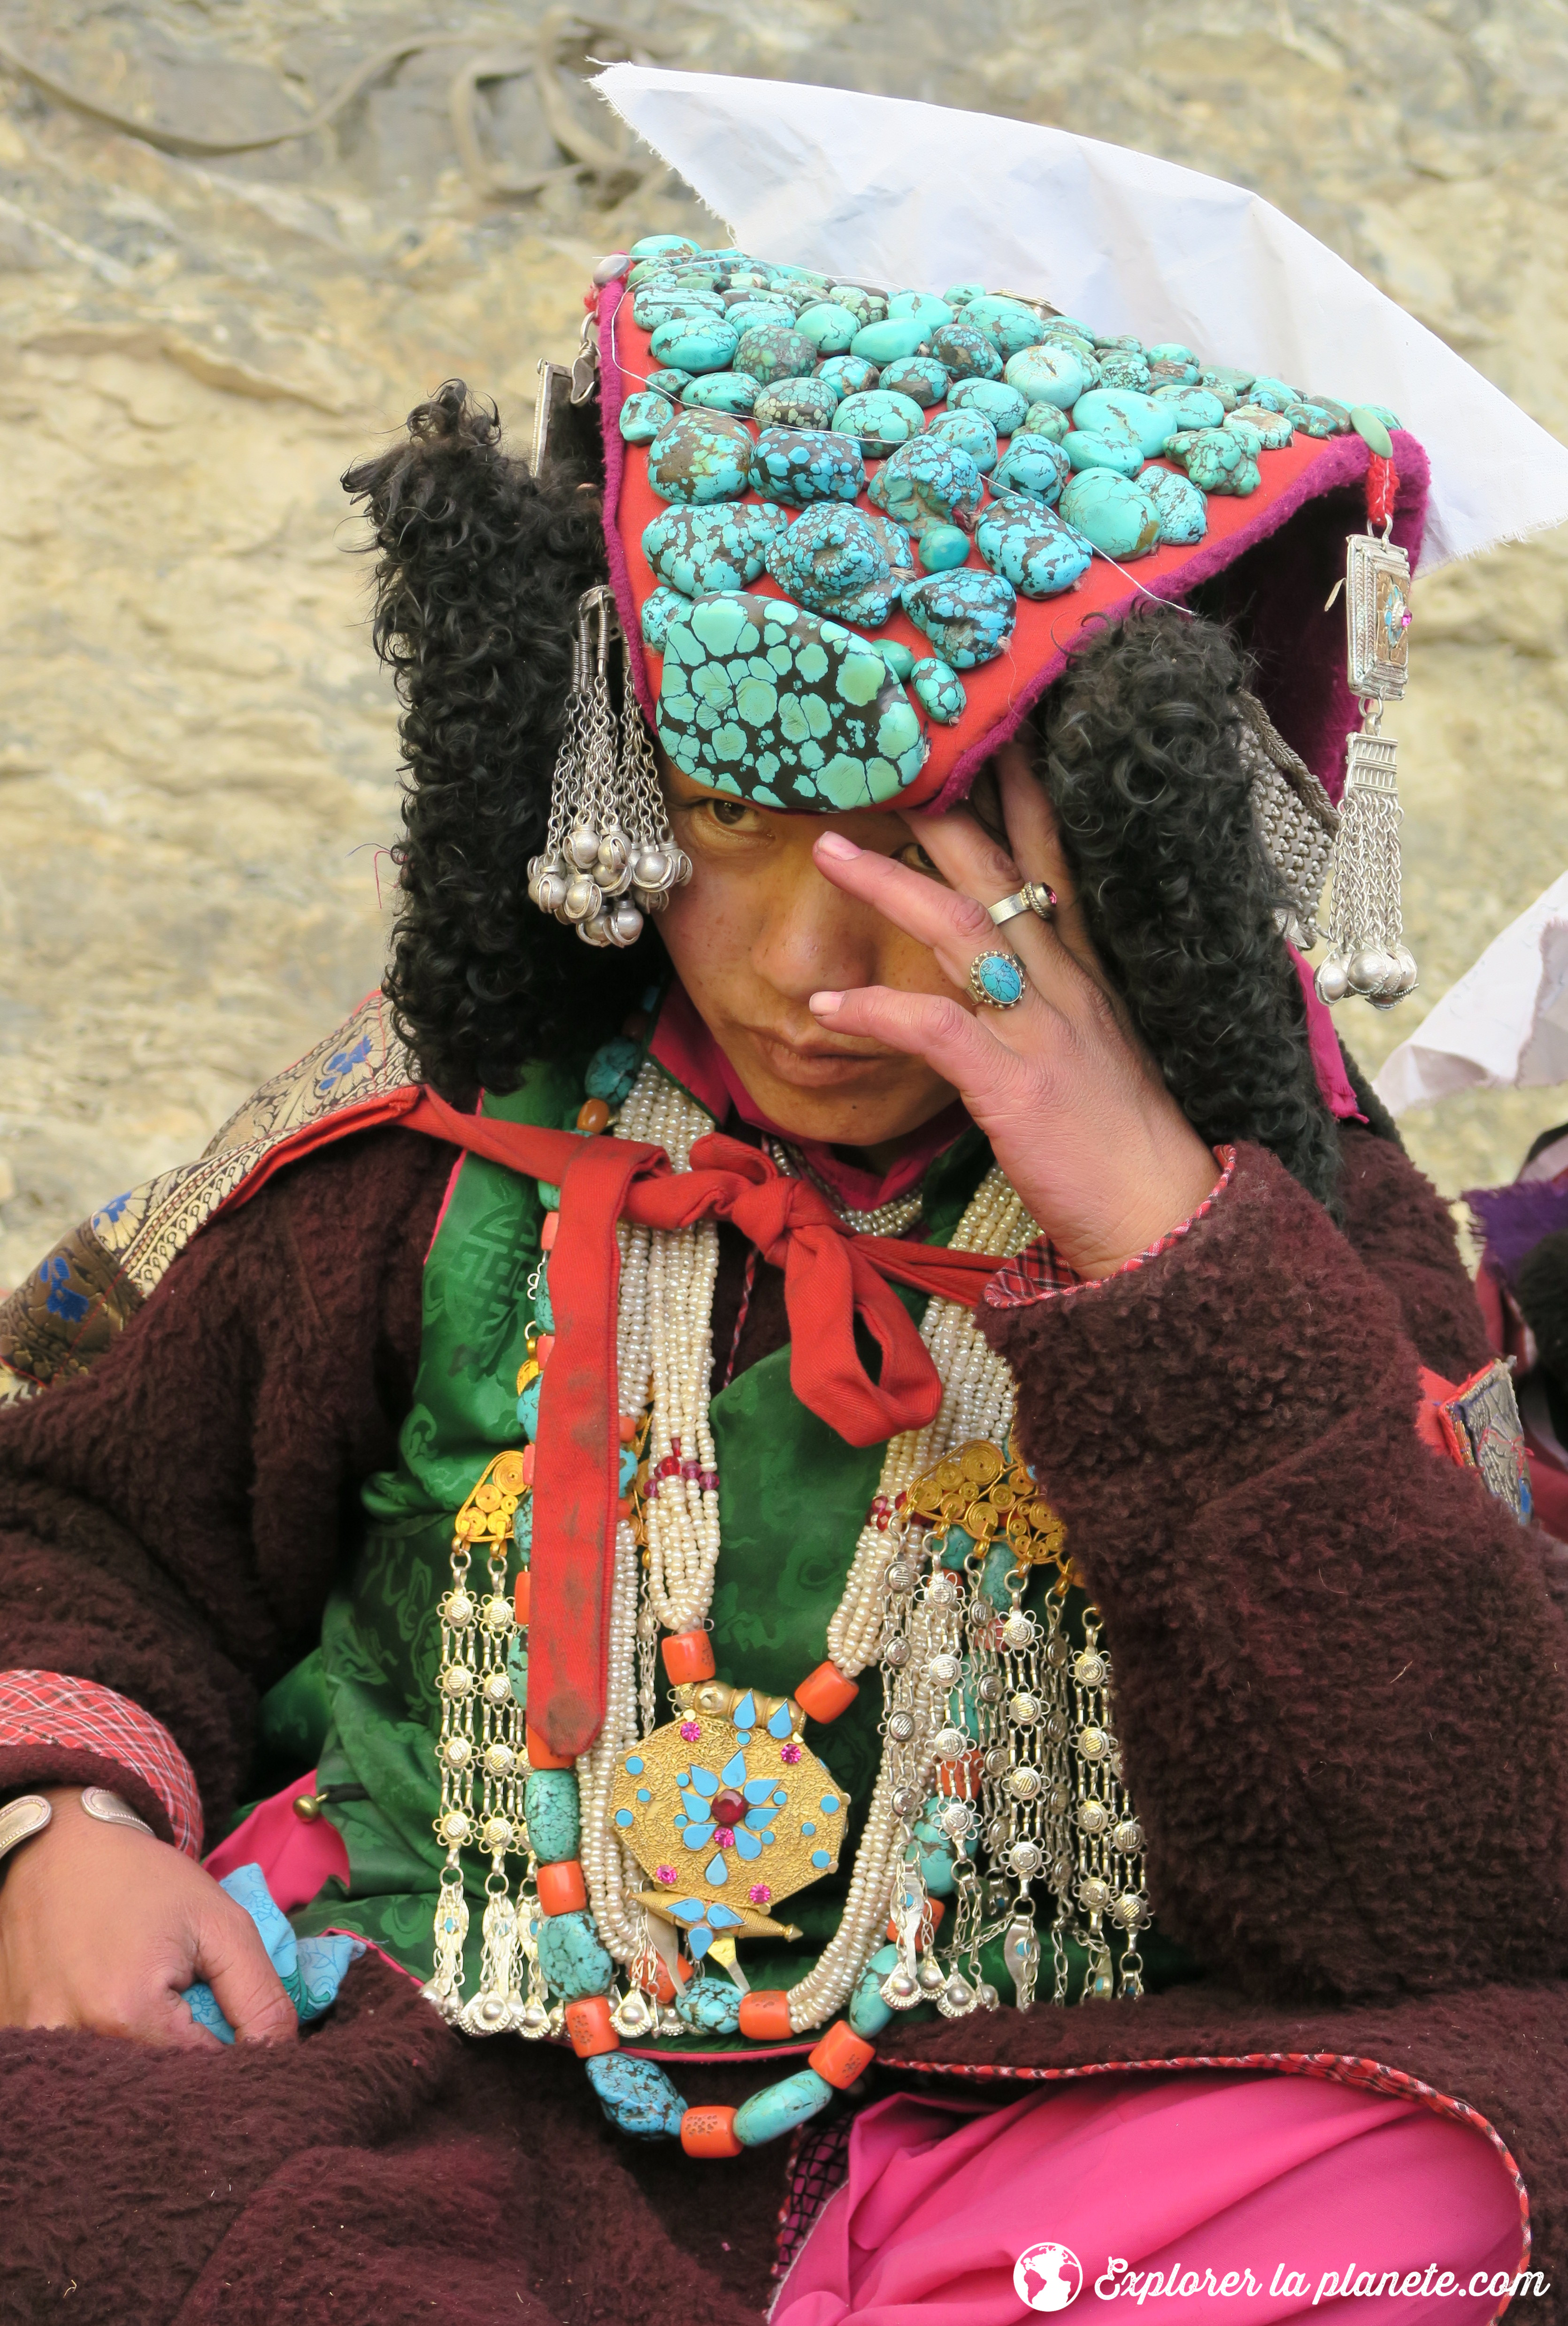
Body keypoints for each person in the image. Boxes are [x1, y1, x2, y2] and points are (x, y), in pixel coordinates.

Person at [0, 225, 1559, 2326]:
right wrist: (67, 1827)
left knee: (1460, 2173)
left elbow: (1450, 1873)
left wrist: (1156, 1247)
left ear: (1120, 827)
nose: (824, 976)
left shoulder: (1299, 1209)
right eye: (740, 824)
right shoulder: (440, 1131)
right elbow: (79, 1517)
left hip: (1029, 2130)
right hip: (406, 2055)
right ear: (613, 777)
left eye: (937, 850)